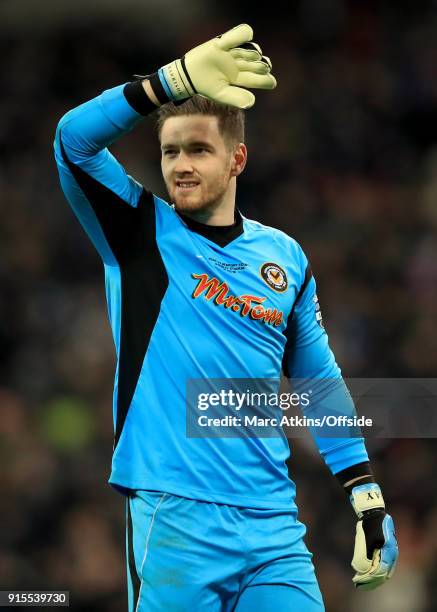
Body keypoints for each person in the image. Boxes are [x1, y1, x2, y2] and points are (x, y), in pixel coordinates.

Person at [54, 23, 398, 612]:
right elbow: (72, 141)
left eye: (198, 149)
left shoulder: (284, 259)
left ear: (237, 158)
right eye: (169, 151)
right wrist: (169, 83)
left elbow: (318, 385)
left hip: (273, 527)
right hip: (174, 517)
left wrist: (365, 493)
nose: (180, 165)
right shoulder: (138, 232)